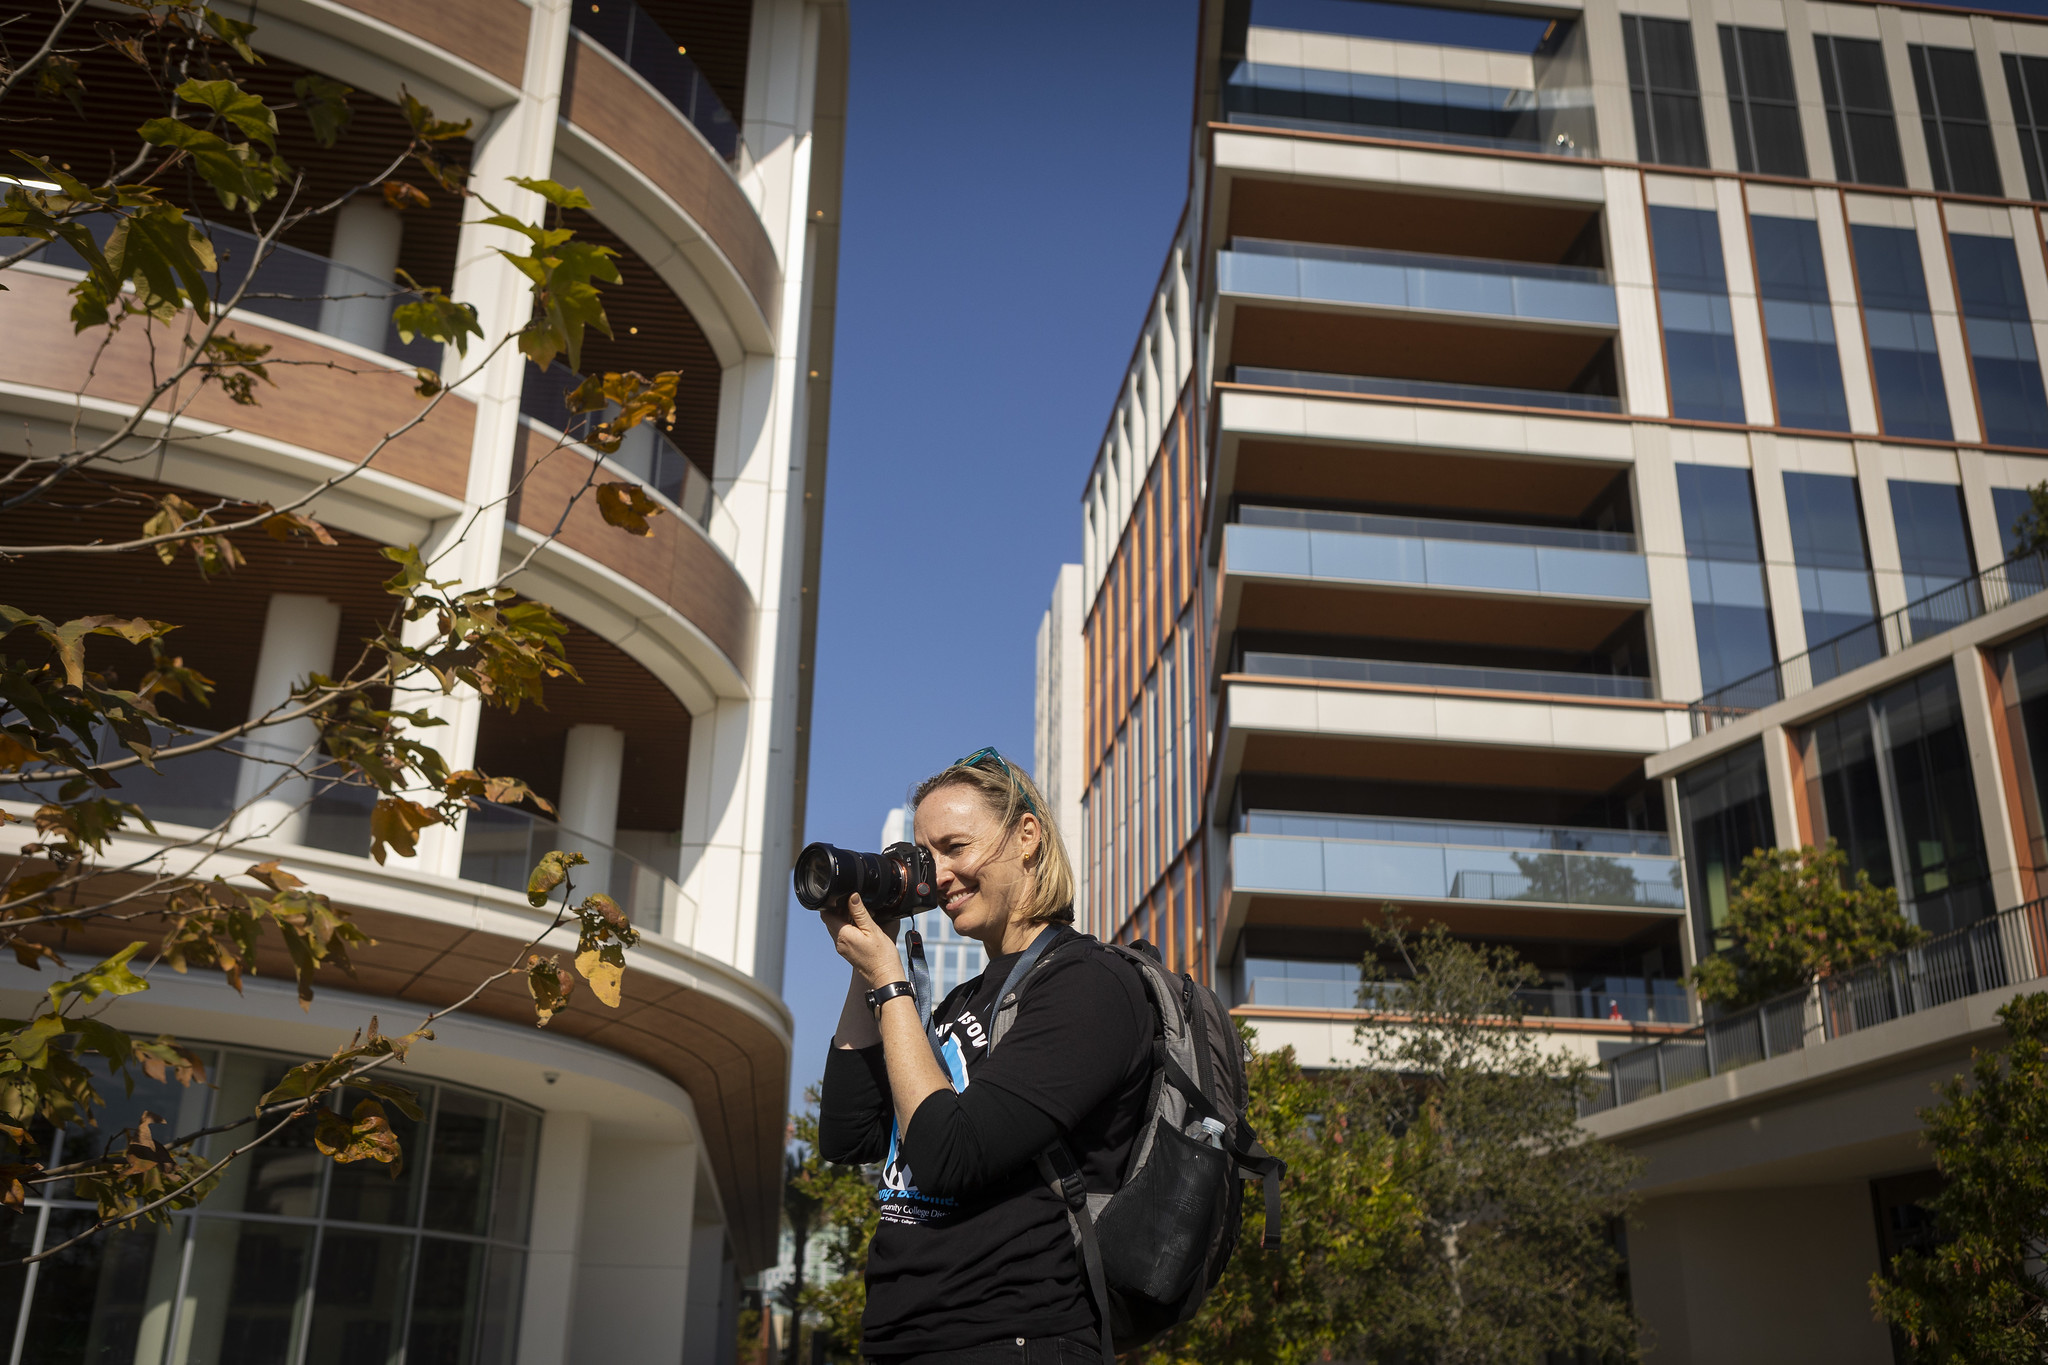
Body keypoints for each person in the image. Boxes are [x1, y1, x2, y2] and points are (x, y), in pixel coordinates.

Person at [818, 748, 1150, 1364]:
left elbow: (950, 1156)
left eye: (956, 847)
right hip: (902, 1342)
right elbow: (848, 1132)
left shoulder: (1089, 985)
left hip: (1013, 1337)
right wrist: (868, 961)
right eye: (924, 858)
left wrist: (890, 981)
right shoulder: (963, 1001)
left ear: (1027, 837)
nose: (938, 876)